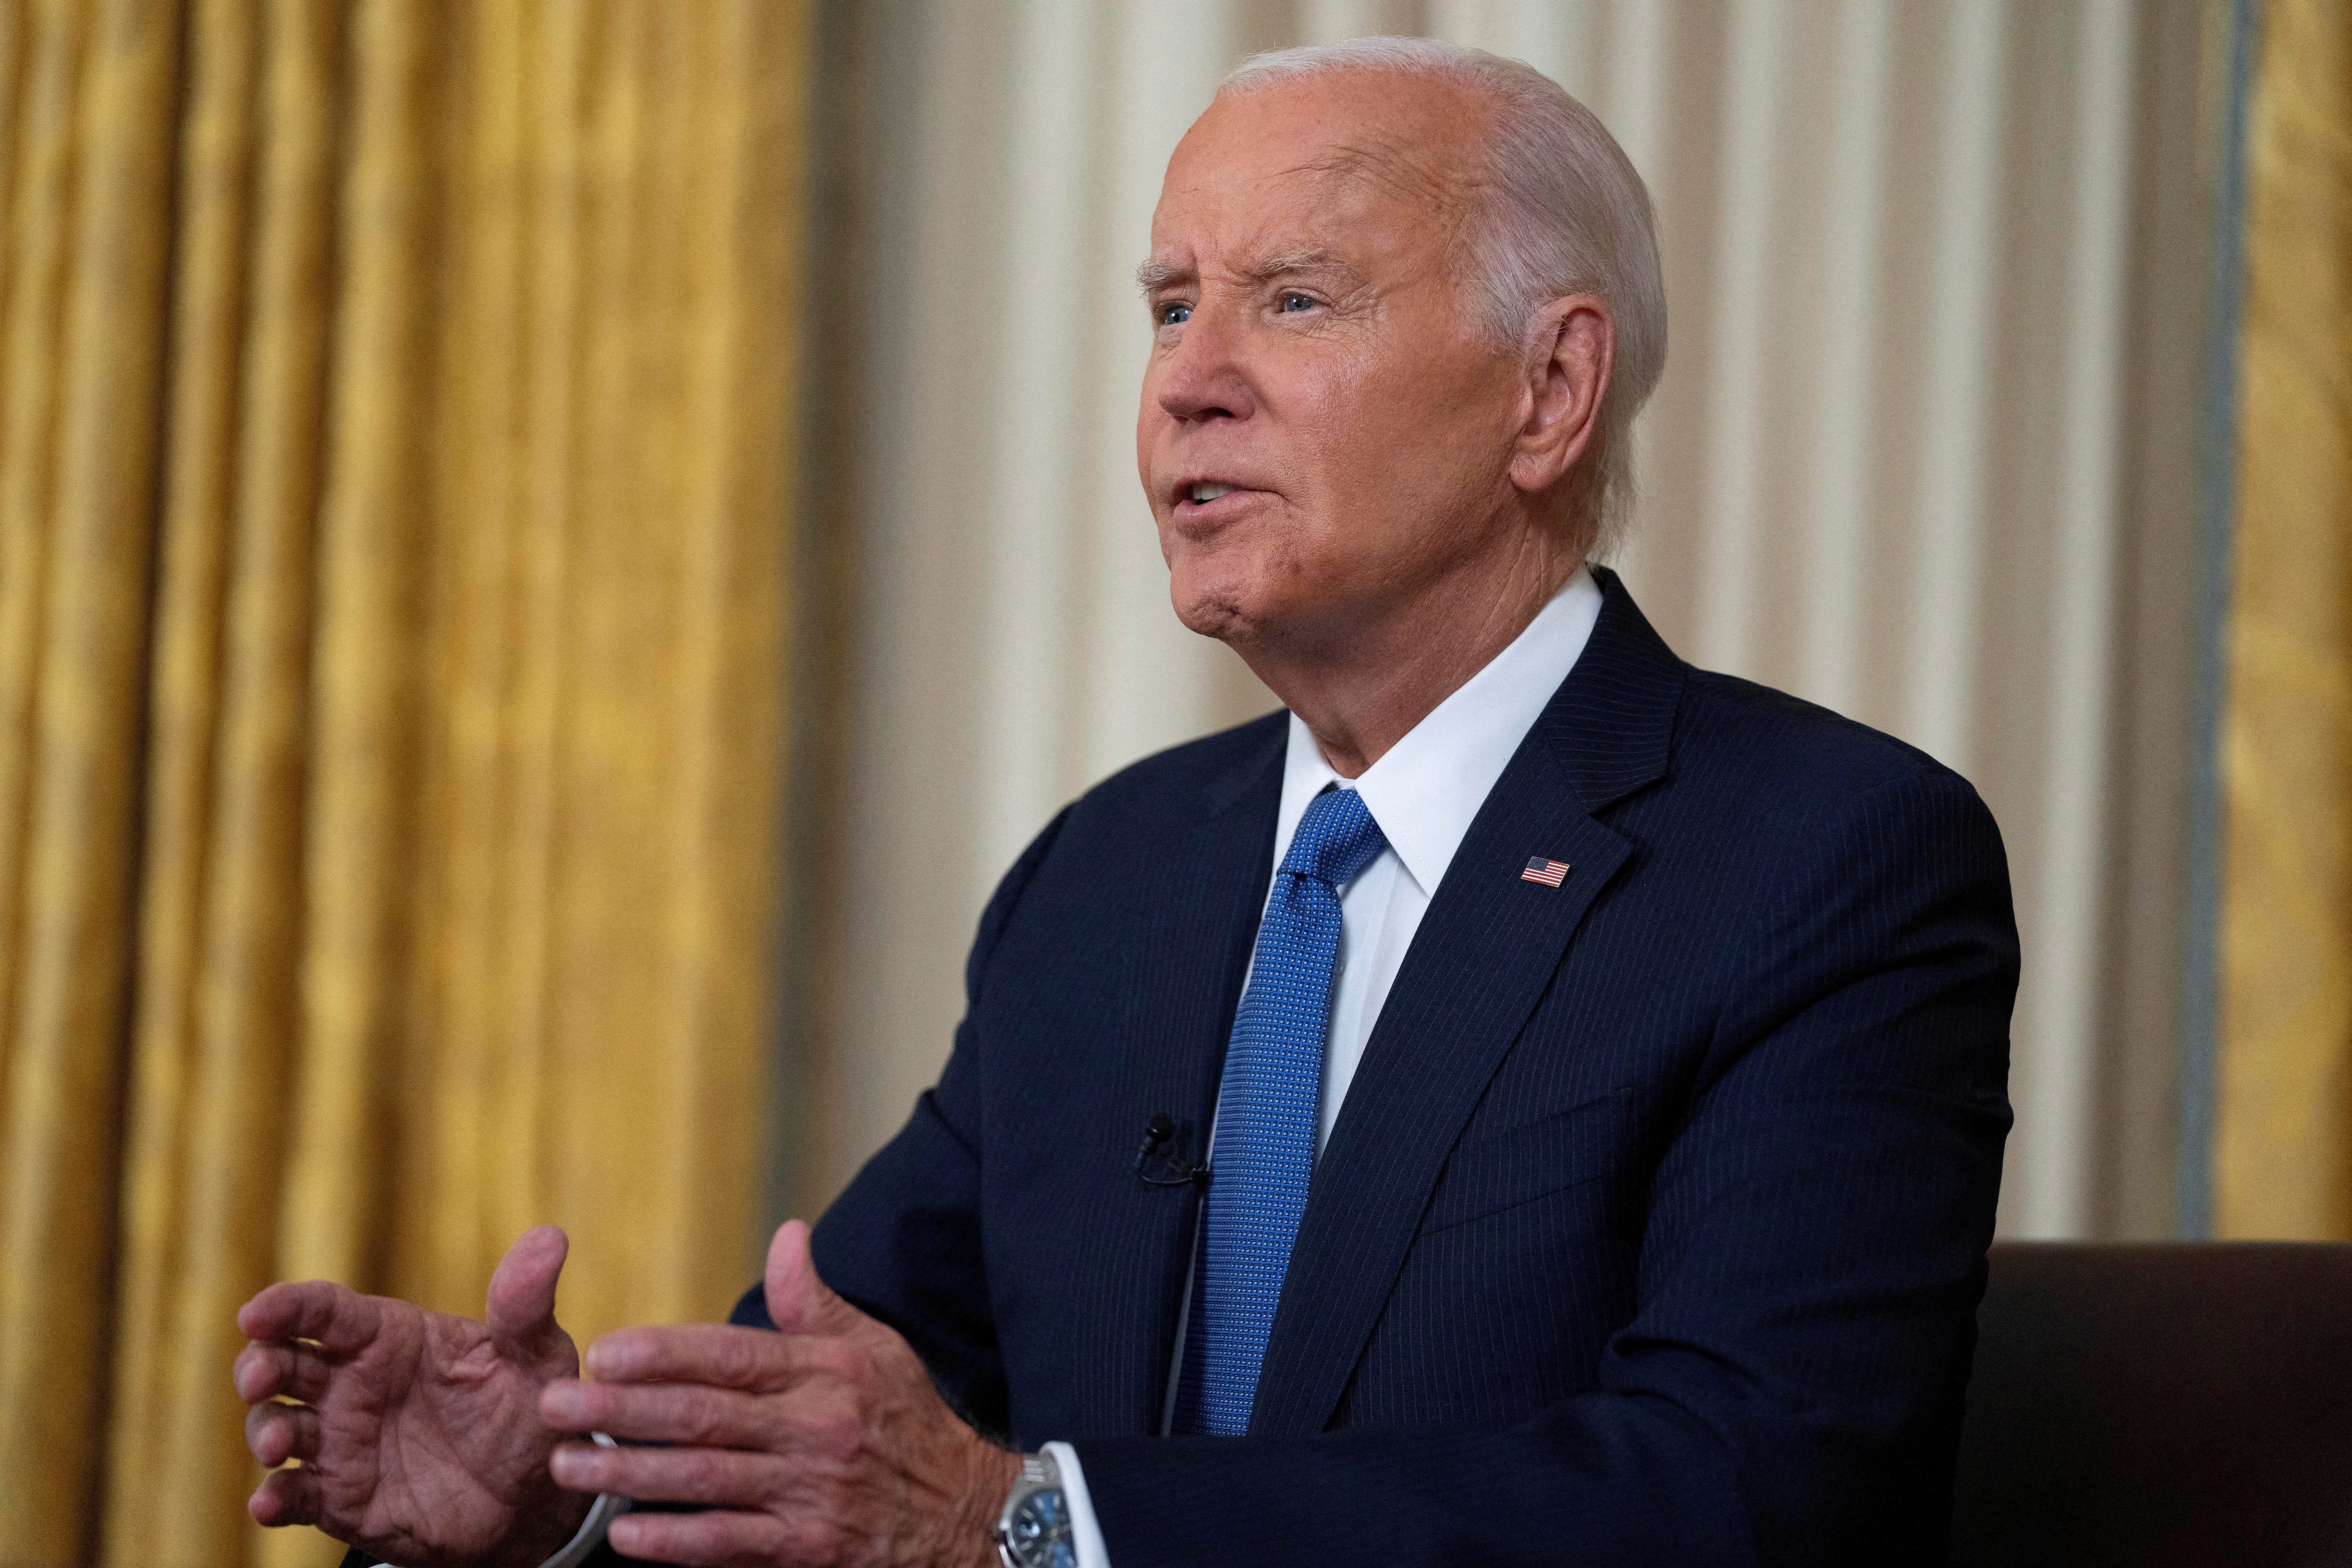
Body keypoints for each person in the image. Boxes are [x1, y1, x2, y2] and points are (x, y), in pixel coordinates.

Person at [235, 38, 2015, 1568]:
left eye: (1292, 299)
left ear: (1549, 391)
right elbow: (840, 1438)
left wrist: (1040, 1535)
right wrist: (565, 1505)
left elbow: (1754, 1500)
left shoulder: (1823, 861)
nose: (1185, 379)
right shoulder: (1112, 879)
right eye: (1171, 306)